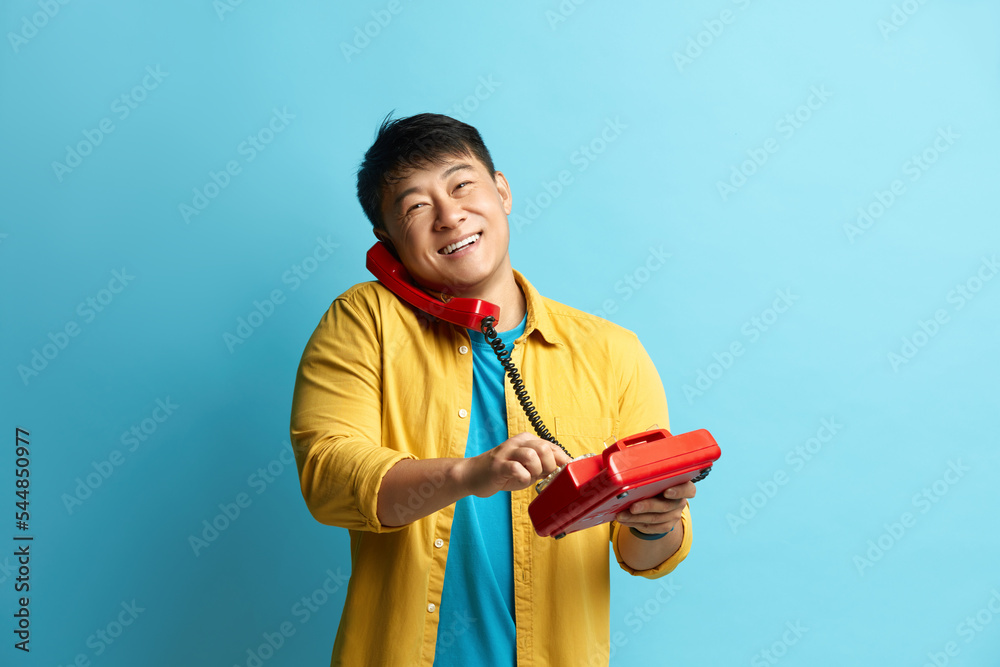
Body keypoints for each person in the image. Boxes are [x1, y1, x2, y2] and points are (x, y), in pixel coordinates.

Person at [289, 112, 696, 667]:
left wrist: (656, 523)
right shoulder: (364, 320)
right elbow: (330, 476)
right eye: (416, 207)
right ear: (387, 242)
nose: (449, 216)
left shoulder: (614, 352)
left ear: (501, 191)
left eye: (461, 186)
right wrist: (468, 475)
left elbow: (645, 558)